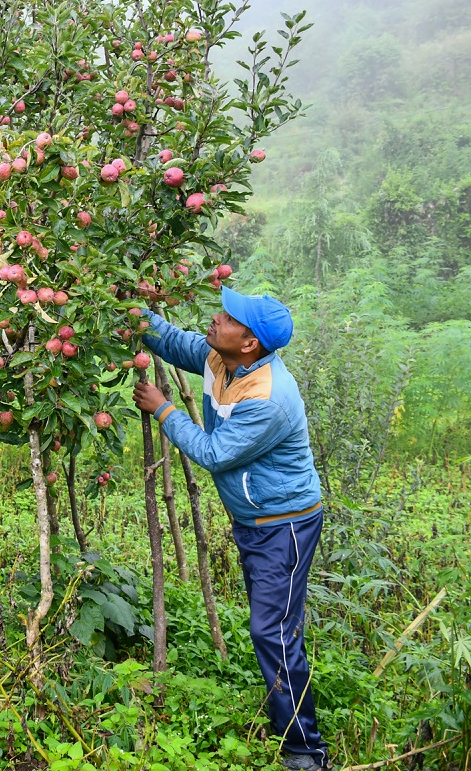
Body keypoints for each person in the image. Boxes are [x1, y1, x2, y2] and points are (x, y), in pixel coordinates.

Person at [132, 287, 329, 771]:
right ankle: (290, 725)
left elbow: (215, 455)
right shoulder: (224, 360)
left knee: (274, 632)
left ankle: (305, 749)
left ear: (250, 344)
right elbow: (176, 344)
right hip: (257, 519)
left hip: (283, 525)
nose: (215, 318)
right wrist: (132, 310)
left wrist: (164, 409)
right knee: (275, 628)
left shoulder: (268, 398)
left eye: (227, 318)